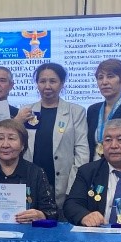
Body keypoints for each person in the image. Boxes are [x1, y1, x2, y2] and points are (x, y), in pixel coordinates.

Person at [19, 63, 89, 215]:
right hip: (31, 181)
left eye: (53, 81)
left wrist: (75, 186)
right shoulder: (27, 112)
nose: (47, 86)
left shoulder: (76, 111)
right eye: (42, 81)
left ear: (62, 83)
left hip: (64, 183)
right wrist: (17, 120)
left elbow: (82, 151)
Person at [0, 119, 57, 222]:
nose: (5, 145)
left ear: (23, 145)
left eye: (11, 138)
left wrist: (42, 216)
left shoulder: (36, 172)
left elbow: (52, 212)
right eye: (0, 138)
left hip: (26, 230)